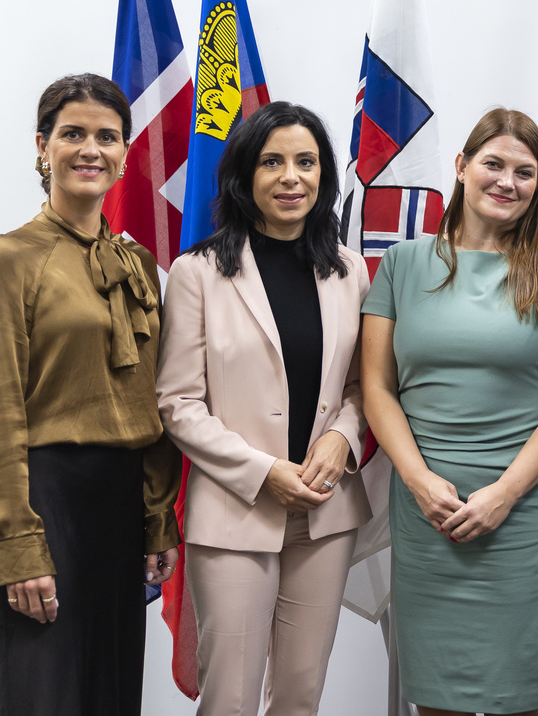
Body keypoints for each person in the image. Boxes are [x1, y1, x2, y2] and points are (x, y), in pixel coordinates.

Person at [361, 108, 538, 716]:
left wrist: (503, 494)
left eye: (525, 172)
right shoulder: (401, 265)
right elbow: (376, 389)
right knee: (437, 700)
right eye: (493, 164)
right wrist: (417, 481)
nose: (507, 182)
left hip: (525, 514)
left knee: (520, 699)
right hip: (427, 513)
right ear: (462, 167)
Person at [0, 73, 181, 715]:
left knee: (108, 694)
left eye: (107, 136)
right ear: (42, 147)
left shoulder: (137, 263)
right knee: (40, 695)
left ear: (123, 151)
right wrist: (16, 544)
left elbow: (153, 398)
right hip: (43, 502)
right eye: (73, 134)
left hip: (117, 508)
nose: (91, 149)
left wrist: (154, 516)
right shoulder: (10, 259)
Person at [156, 101, 371, 716]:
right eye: (273, 162)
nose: (291, 177)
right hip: (235, 512)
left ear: (323, 177)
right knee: (230, 698)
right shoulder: (196, 272)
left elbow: (364, 385)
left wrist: (342, 440)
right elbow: (177, 402)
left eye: (306, 162)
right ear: (245, 174)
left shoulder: (350, 271)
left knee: (301, 695)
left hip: (325, 514)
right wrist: (263, 471)